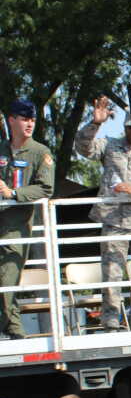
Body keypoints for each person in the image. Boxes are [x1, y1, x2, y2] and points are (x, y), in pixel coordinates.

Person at [75, 96, 131, 331]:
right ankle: (111, 321)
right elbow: (83, 148)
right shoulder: (110, 145)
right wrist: (95, 124)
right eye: (130, 128)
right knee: (112, 275)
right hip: (113, 220)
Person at [0, 98, 54, 339]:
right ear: (11, 120)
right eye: (24, 119)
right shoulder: (1, 149)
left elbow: (46, 188)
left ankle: (15, 330)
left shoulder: (40, 152)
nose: (30, 124)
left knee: (7, 276)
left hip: (16, 225)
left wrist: (13, 193)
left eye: (32, 120)